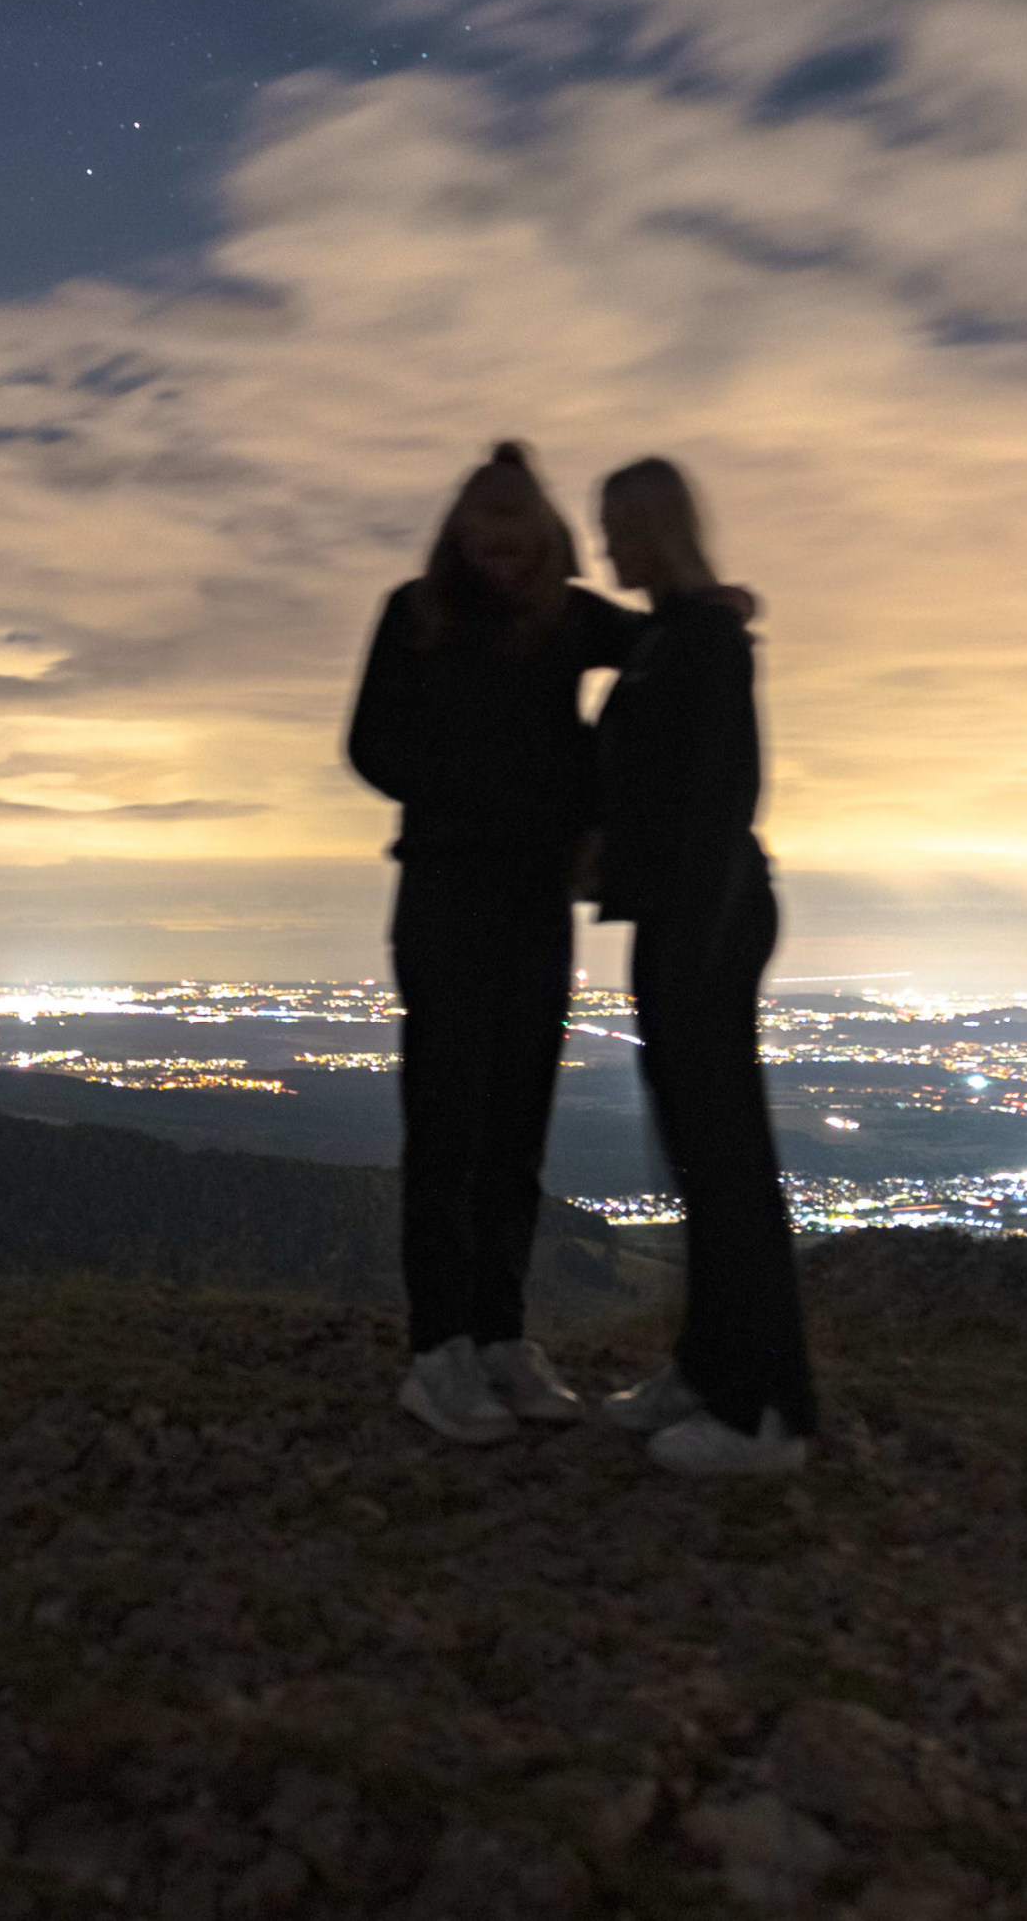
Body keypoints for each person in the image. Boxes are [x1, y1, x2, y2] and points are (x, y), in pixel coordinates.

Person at [346, 441, 644, 1444]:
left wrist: (706, 608)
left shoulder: (568, 617)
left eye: (521, 548)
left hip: (533, 901)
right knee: (448, 1129)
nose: (506, 565)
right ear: (461, 541)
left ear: (546, 542)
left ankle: (501, 1337)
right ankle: (439, 1353)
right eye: (490, 547)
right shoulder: (416, 613)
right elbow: (369, 743)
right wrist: (483, 792)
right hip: (444, 891)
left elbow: (655, 647)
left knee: (516, 1126)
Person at [593, 455, 816, 1478]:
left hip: (707, 916)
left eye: (619, 530)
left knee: (723, 1157)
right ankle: (708, 1363)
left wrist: (691, 926)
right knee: (695, 1151)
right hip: (684, 913)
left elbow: (725, 796)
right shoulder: (671, 636)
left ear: (657, 529)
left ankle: (765, 1408)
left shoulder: (703, 643)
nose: (608, 551)